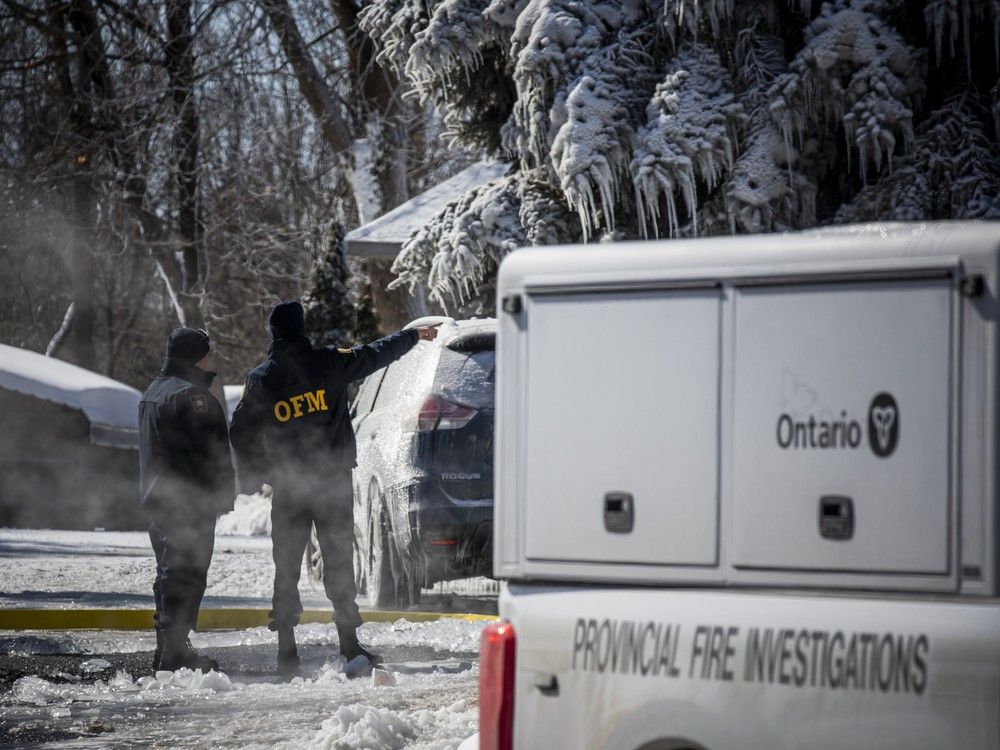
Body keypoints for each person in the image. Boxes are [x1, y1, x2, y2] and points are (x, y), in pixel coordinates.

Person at [229, 301, 439, 677]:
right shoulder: (329, 363)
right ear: (302, 328)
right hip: (331, 481)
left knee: (287, 564)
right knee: (339, 561)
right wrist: (412, 336)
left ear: (273, 334)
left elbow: (239, 431)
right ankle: (349, 645)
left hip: (290, 487)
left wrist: (263, 472)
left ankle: (286, 651)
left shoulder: (261, 380)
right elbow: (374, 354)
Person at [139, 327, 235, 672]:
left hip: (160, 498)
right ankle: (176, 651)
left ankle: (167, 647)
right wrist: (219, 494)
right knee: (189, 572)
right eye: (206, 353)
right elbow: (208, 453)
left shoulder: (153, 391)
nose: (210, 359)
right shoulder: (192, 397)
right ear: (195, 356)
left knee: (168, 570)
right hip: (189, 500)